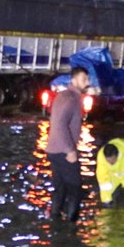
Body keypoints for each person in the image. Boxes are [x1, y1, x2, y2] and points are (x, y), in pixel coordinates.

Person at [45, 67, 91, 221]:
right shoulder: (72, 99)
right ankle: (71, 225)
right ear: (74, 79)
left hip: (53, 150)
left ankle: (54, 218)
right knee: (75, 189)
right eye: (84, 79)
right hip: (63, 152)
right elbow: (60, 124)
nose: (87, 83)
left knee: (60, 189)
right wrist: (70, 149)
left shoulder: (62, 96)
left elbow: (55, 122)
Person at [96, 138, 124, 206]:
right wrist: (106, 198)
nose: (110, 163)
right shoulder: (101, 155)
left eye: (113, 161)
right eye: (108, 161)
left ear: (117, 155)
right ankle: (108, 205)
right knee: (105, 189)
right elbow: (101, 174)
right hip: (113, 174)